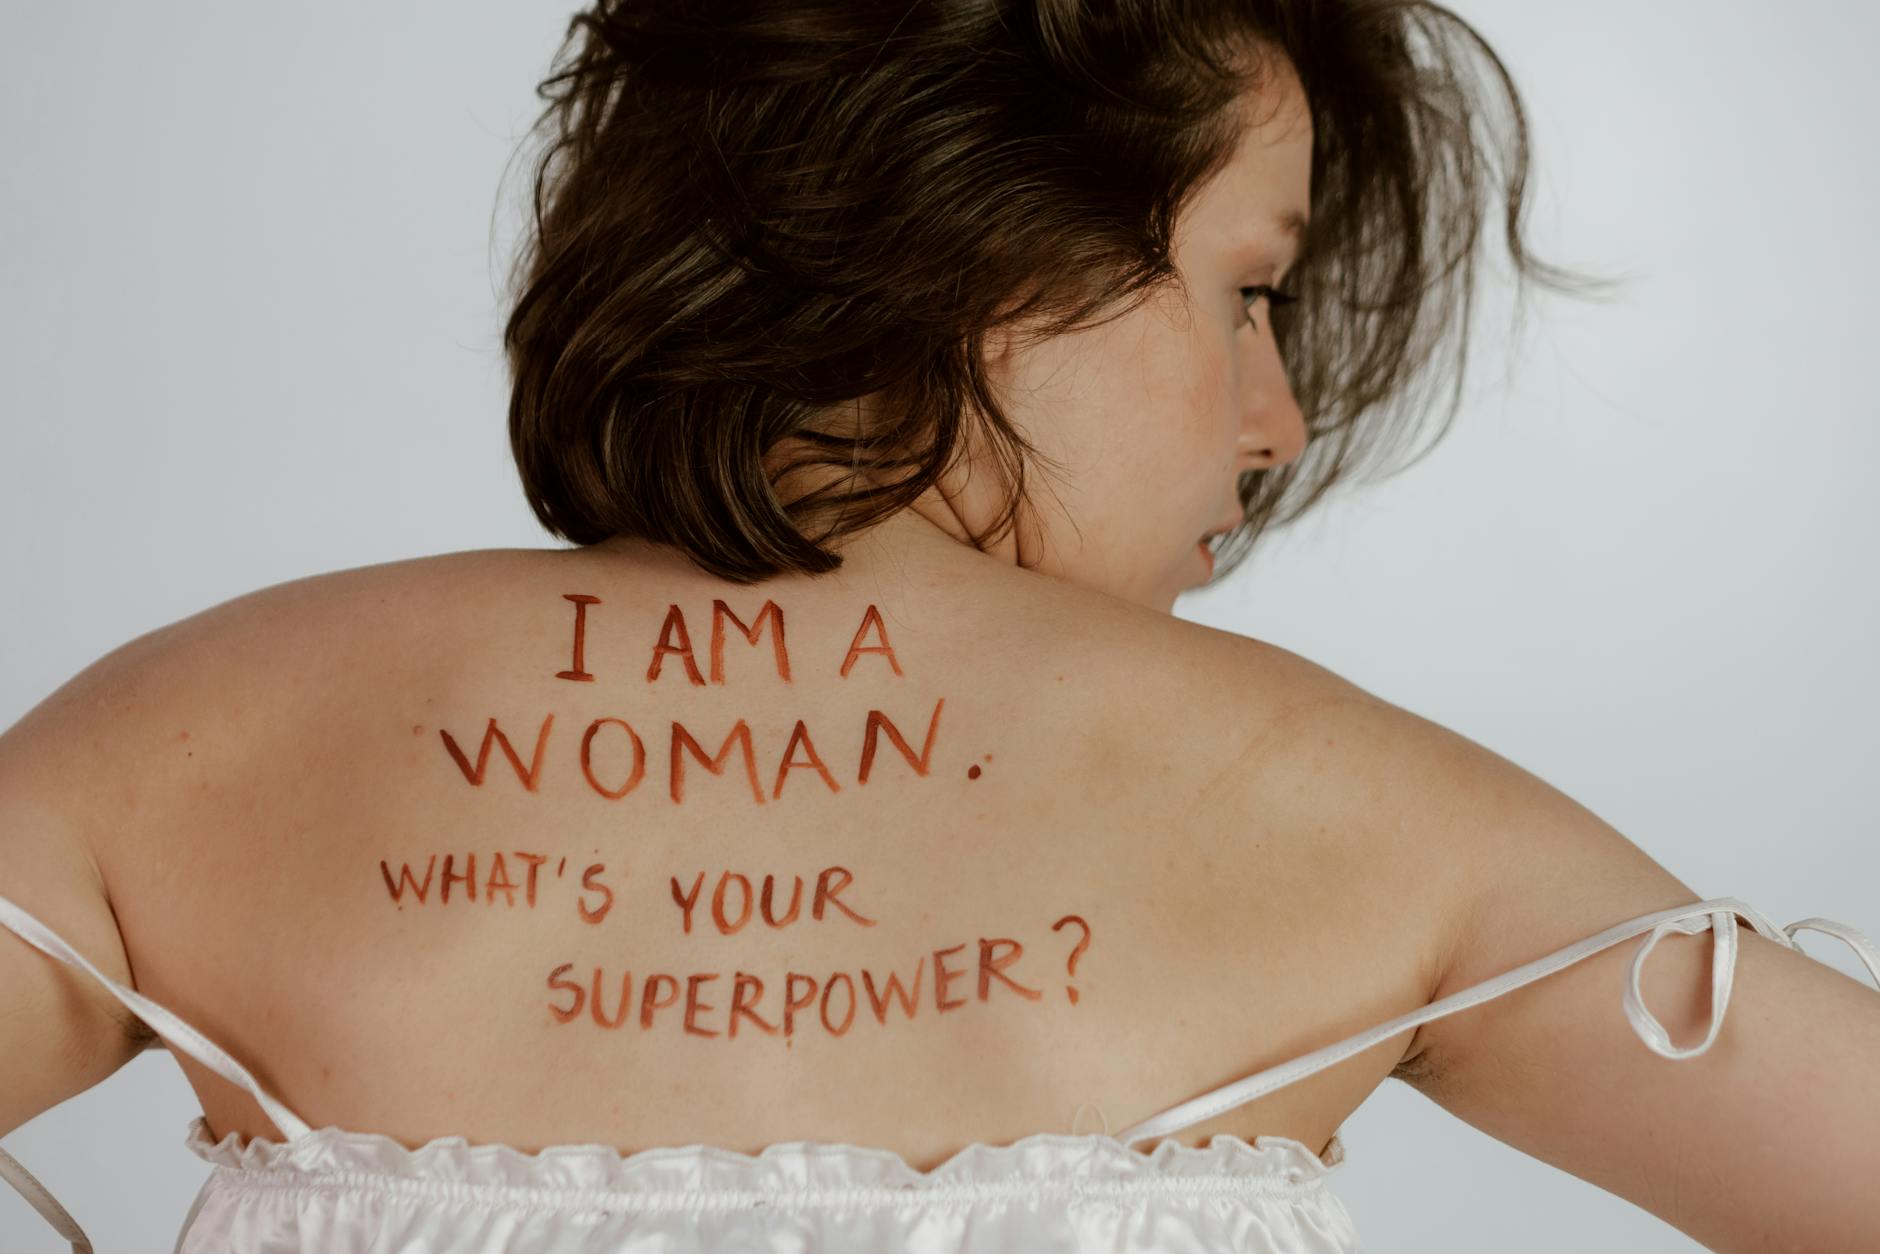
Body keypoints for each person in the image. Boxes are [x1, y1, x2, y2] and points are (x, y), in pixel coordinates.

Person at [2, 1, 1876, 1251]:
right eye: (1249, 289)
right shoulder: (1354, 815)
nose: (1277, 417)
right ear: (1001, 247)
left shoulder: (196, 751)